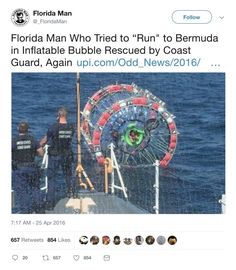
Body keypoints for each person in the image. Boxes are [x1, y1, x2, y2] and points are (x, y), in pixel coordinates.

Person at [40, 107, 75, 210]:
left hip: (55, 155)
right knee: (68, 175)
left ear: (58, 115)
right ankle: (71, 193)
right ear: (66, 115)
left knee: (52, 179)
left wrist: (40, 145)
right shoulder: (71, 127)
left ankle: (50, 203)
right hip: (67, 154)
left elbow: (46, 139)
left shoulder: (54, 127)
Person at [12, 121, 44, 213]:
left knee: (22, 190)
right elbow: (41, 153)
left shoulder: (13, 141)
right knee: (35, 188)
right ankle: (39, 208)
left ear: (18, 129)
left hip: (19, 169)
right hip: (32, 168)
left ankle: (26, 211)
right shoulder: (33, 140)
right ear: (28, 129)